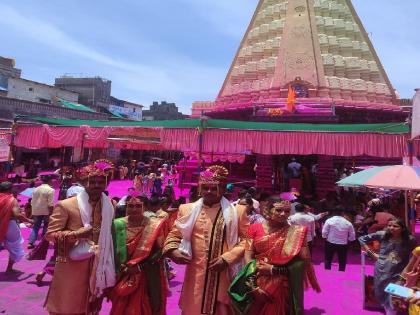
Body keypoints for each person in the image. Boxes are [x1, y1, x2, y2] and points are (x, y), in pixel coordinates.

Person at [163, 165, 249, 315]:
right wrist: (173, 251)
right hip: (195, 275)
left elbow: (248, 240)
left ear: (223, 189)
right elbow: (175, 234)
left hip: (223, 273)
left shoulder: (237, 211)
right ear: (200, 189)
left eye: (214, 188)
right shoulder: (186, 209)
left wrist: (227, 258)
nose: (209, 191)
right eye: (205, 188)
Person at [44, 161, 116, 315]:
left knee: (93, 303)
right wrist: (77, 234)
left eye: (101, 182)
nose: (97, 185)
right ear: (84, 183)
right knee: (67, 304)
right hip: (73, 262)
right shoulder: (66, 205)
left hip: (98, 262)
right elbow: (50, 235)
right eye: (93, 182)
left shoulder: (109, 205)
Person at [236, 198, 320, 315]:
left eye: (287, 211)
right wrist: (253, 286)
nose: (283, 214)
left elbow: (303, 263)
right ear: (268, 211)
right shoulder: (254, 229)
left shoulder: (296, 233)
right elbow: (248, 256)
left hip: (282, 283)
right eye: (279, 210)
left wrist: (274, 270)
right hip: (257, 278)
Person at [110, 196, 167, 315]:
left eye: (138, 206)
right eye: (130, 206)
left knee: (149, 304)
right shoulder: (117, 224)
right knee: (121, 305)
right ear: (126, 207)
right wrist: (123, 267)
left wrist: (140, 266)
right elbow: (111, 249)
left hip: (147, 272)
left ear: (145, 207)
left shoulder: (153, 225)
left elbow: (160, 250)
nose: (134, 209)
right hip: (123, 272)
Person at [359, 218, 416, 315]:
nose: (391, 228)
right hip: (382, 269)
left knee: (394, 291)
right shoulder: (383, 235)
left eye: (395, 226)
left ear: (402, 228)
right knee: (381, 291)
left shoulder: (409, 240)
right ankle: (388, 309)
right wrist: (371, 253)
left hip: (399, 271)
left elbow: (416, 254)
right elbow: (361, 239)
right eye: (389, 225)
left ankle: (391, 310)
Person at [0, 181, 33, 273]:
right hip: (9, 225)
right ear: (10, 189)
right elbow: (17, 214)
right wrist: (29, 220)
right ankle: (9, 268)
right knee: (15, 245)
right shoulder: (11, 200)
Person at [322, 206, 356, 271]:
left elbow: (324, 232)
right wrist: (349, 240)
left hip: (330, 242)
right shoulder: (348, 223)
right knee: (342, 260)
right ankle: (341, 272)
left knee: (328, 259)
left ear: (334, 212)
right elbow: (352, 235)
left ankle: (327, 272)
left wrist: (325, 238)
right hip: (343, 244)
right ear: (343, 213)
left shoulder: (329, 220)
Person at [28, 175, 55, 249]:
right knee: (46, 226)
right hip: (46, 211)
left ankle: (30, 242)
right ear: (50, 181)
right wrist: (51, 213)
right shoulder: (50, 190)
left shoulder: (36, 189)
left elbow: (32, 201)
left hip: (36, 210)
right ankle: (43, 242)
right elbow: (50, 204)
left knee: (35, 227)